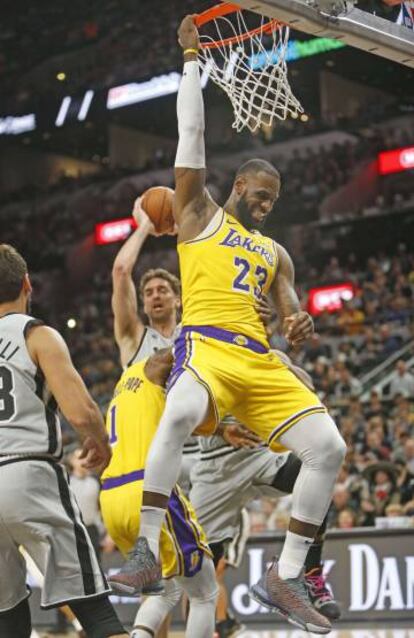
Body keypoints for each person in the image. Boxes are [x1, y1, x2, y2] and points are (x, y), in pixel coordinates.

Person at [111, 15, 346, 634]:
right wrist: (191, 61)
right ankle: (145, 550)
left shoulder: (275, 254)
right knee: (181, 413)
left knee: (329, 448)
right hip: (208, 350)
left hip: (259, 361)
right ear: (239, 184)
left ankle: (289, 574)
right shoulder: (199, 215)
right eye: (261, 193)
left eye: (275, 200)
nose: (268, 205)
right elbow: (191, 135)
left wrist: (298, 325)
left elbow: (293, 308)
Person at [0, 244, 127, 638]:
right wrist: (100, 443)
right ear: (27, 284)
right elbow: (82, 411)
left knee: (8, 619)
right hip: (29, 472)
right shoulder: (35, 334)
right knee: (97, 614)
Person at [190, 352, 341, 632]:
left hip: (261, 456)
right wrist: (222, 430)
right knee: (197, 572)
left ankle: (308, 573)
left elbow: (308, 390)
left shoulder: (265, 352)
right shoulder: (202, 347)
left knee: (319, 465)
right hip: (215, 468)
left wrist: (285, 366)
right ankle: (216, 626)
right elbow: (180, 415)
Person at [100, 349, 218, 638]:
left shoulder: (122, 388)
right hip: (148, 490)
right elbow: (180, 350)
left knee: (166, 587)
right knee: (205, 593)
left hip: (112, 499)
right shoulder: (152, 366)